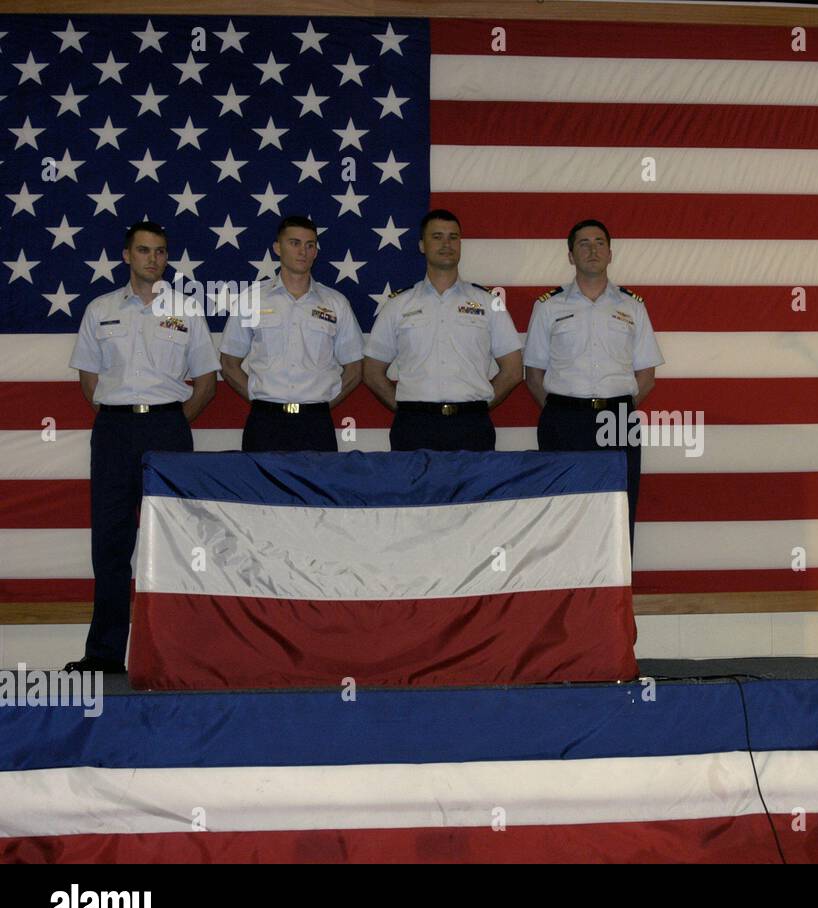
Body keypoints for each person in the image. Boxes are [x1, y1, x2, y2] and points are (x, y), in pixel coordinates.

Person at [66, 221, 219, 673]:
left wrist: (168, 423)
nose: (153, 258)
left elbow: (206, 382)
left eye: (160, 251)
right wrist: (124, 419)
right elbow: (89, 380)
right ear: (126, 256)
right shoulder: (100, 309)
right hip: (114, 432)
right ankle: (105, 654)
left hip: (168, 429)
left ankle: (176, 652)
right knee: (111, 543)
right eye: (144, 251)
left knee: (175, 543)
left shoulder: (187, 311)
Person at [523, 220, 664, 548]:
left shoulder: (632, 306)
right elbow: (533, 376)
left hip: (617, 418)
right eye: (583, 244)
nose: (592, 250)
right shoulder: (548, 306)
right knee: (562, 507)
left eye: (599, 243)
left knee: (618, 507)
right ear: (570, 255)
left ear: (610, 253)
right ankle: (567, 593)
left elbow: (646, 377)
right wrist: (570, 411)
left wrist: (615, 409)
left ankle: (614, 594)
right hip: (563, 417)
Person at [364, 209, 522, 450]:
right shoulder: (398, 304)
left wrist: (481, 404)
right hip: (414, 426)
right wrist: (405, 406)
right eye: (437, 236)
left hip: (471, 425)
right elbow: (372, 371)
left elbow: (512, 369)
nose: (446, 244)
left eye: (453, 237)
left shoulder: (489, 303)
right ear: (422, 245)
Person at [219, 216, 364, 451]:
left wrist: (324, 402)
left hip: (316, 422)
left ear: (316, 251)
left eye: (310, 245)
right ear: (278, 247)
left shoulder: (336, 303)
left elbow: (355, 367)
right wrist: (260, 398)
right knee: (261, 489)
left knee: (316, 488)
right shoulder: (252, 299)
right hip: (265, 421)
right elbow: (228, 362)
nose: (303, 251)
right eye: (294, 243)